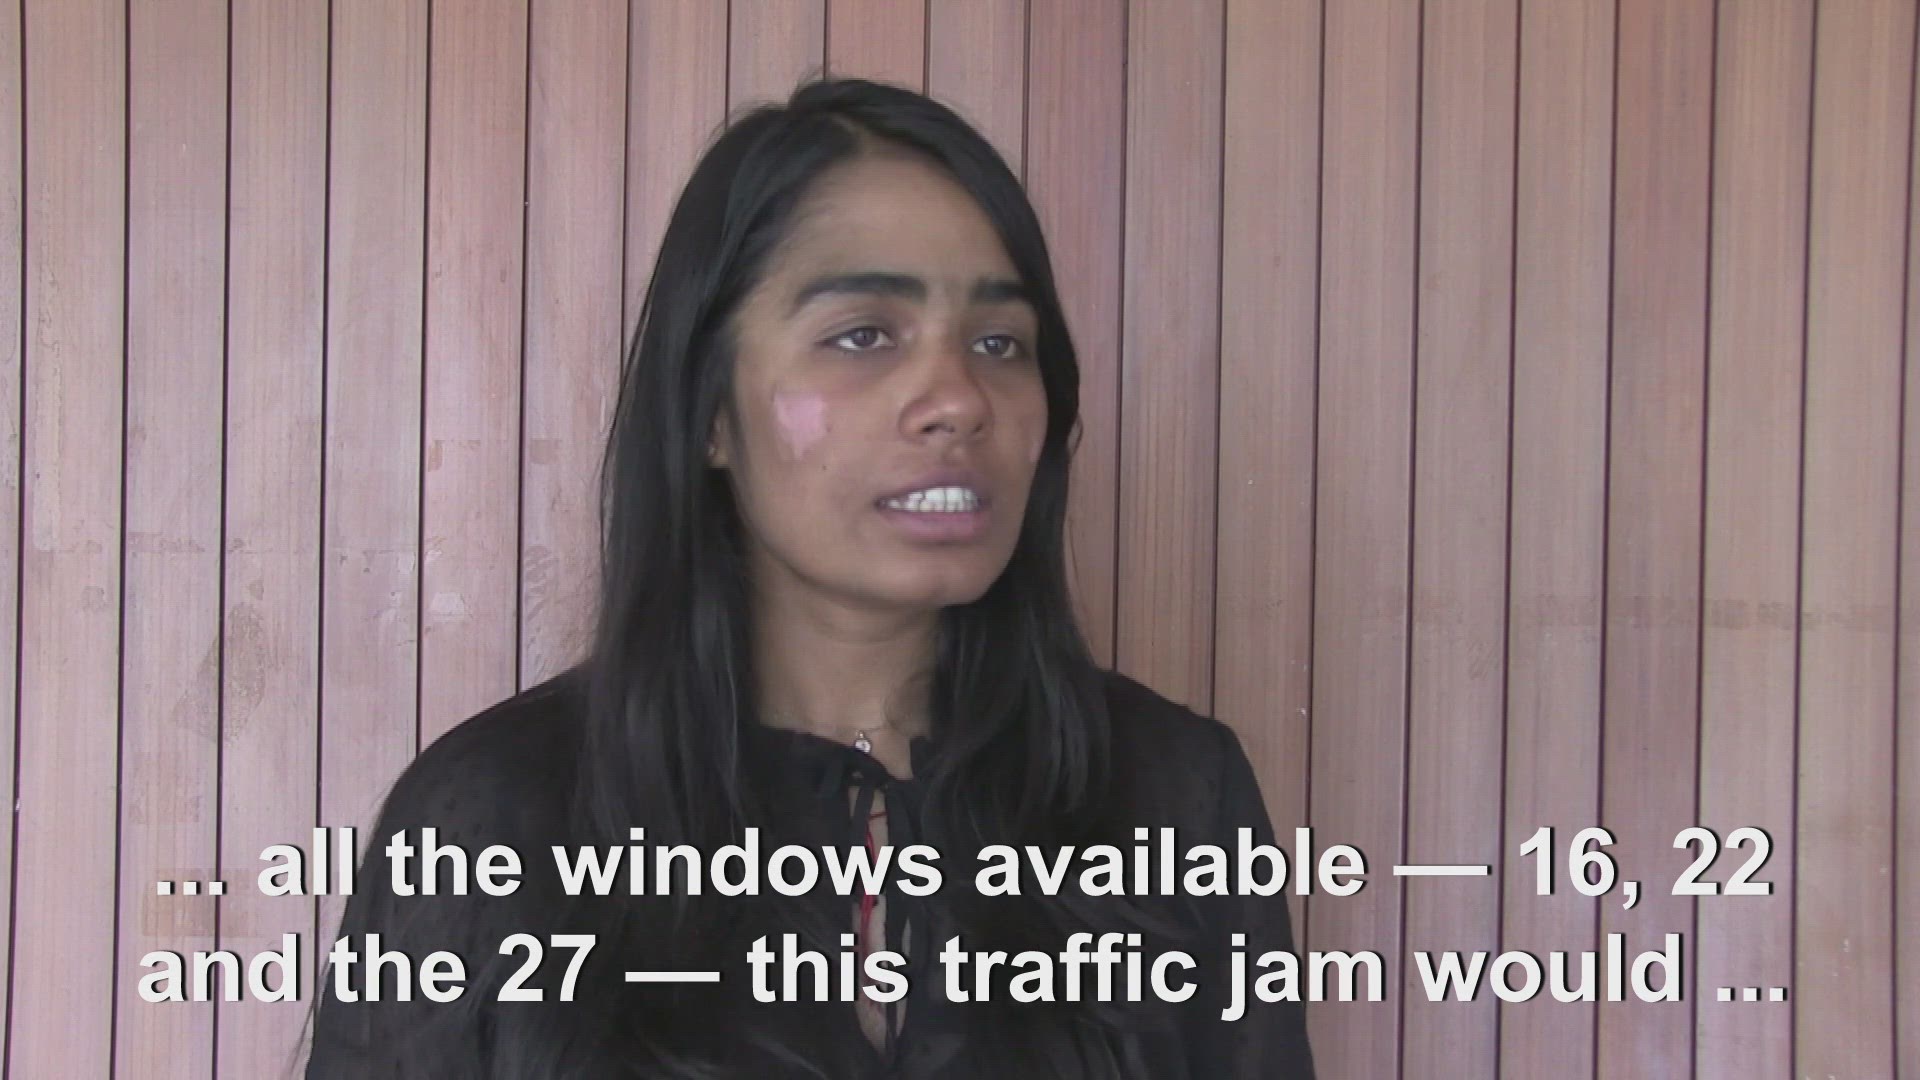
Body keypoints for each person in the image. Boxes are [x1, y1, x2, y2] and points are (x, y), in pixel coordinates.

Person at [305, 77, 1315, 1079]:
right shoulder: (493, 817)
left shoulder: (1178, 794)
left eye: (999, 343)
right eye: (863, 335)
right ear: (709, 412)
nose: (960, 399)